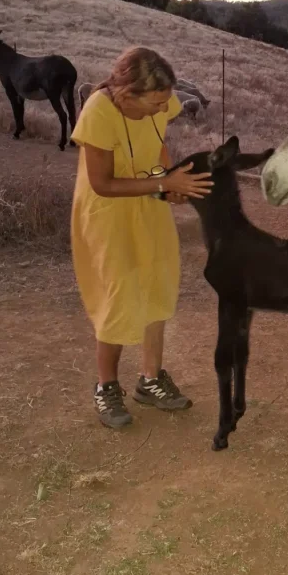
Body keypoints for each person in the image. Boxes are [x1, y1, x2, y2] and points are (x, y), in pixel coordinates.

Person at [70, 47, 213, 429]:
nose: (161, 110)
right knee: (117, 296)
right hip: (108, 214)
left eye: (165, 102)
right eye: (154, 103)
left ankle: (150, 380)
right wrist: (163, 182)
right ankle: (106, 386)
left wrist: (168, 186)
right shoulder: (99, 112)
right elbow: (101, 184)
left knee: (156, 286)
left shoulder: (159, 104)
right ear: (127, 93)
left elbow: (159, 148)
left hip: (148, 203)